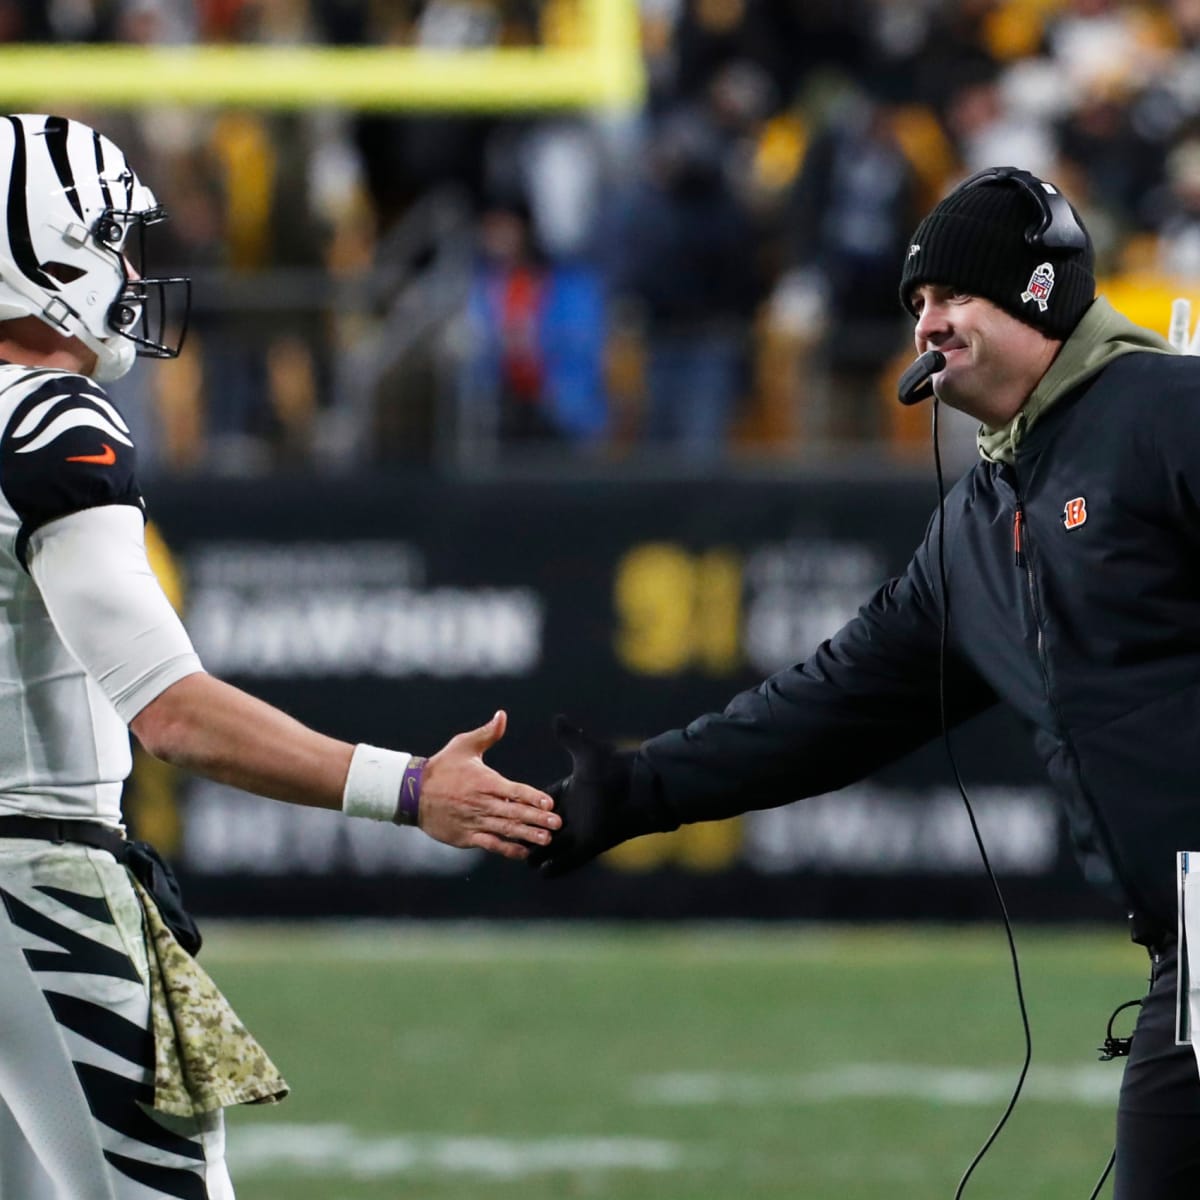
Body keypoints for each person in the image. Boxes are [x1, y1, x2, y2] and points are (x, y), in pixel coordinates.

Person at [535, 165, 1200, 1199]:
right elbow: (836, 704)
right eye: (918, 304)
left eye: (955, 294)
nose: (928, 323)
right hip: (1185, 950)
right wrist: (638, 790)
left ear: (1037, 292)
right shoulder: (979, 522)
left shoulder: (1166, 413)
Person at [0, 113, 559, 1199]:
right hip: (34, 884)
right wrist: (405, 788)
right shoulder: (53, 426)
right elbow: (171, 713)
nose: (127, 270)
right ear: (38, 248)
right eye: (109, 239)